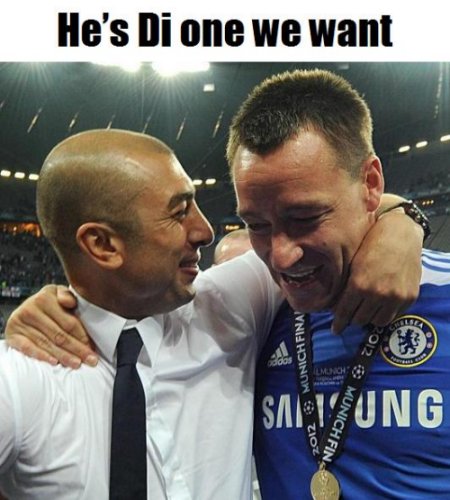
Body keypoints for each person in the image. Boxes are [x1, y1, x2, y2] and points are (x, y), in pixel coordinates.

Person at [3, 84, 425, 498]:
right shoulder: (21, 375)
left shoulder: (227, 305)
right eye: (178, 212)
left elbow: (347, 201)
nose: (204, 231)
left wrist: (401, 226)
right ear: (103, 245)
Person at [227, 68, 449, 498]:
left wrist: (403, 218)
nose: (281, 256)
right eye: (256, 225)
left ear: (371, 184)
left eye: (305, 218)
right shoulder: (251, 313)